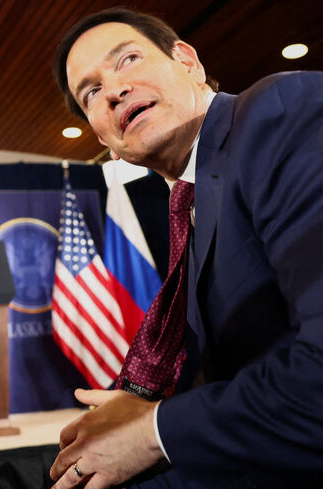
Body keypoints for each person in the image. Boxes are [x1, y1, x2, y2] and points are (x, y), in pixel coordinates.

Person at [48, 7, 323, 489]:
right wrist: (145, 414)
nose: (113, 91)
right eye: (91, 92)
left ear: (188, 61)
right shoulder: (191, 211)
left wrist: (151, 431)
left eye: (128, 59)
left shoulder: (278, 112)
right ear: (105, 141)